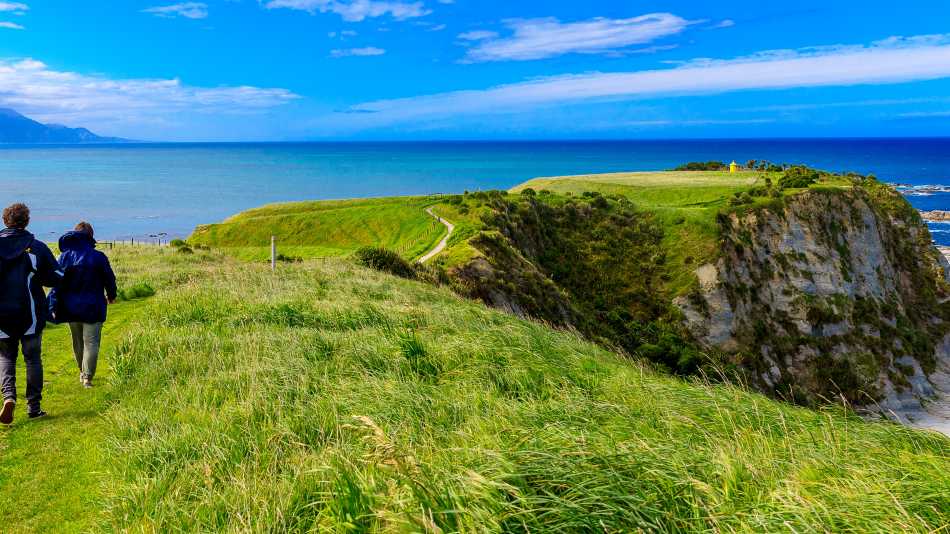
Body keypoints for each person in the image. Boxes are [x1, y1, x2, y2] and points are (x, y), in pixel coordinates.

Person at [0, 203, 64, 424]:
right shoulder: (36, 247)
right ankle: (34, 407)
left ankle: (9, 397)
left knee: (6, 357)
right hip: (30, 312)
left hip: (1, 315)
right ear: (26, 221)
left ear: (4, 220)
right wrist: (40, 279)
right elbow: (57, 277)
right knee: (32, 358)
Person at [49, 222, 117, 389]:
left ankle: (82, 371)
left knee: (78, 341)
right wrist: (111, 295)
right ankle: (87, 377)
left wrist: (53, 304)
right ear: (90, 236)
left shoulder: (64, 257)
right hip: (93, 306)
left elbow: (57, 283)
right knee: (91, 342)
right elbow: (109, 278)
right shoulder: (98, 257)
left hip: (71, 307)